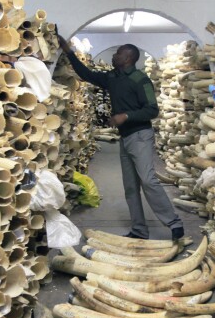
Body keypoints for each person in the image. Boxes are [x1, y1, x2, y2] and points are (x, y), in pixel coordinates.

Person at [57, 32, 184, 242]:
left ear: (128, 58)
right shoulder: (112, 78)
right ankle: (139, 229)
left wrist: (126, 116)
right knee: (131, 186)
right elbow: (86, 74)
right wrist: (68, 52)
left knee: (148, 180)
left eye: (117, 54)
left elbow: (152, 110)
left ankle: (174, 223)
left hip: (141, 135)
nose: (114, 56)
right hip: (126, 138)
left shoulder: (140, 80)